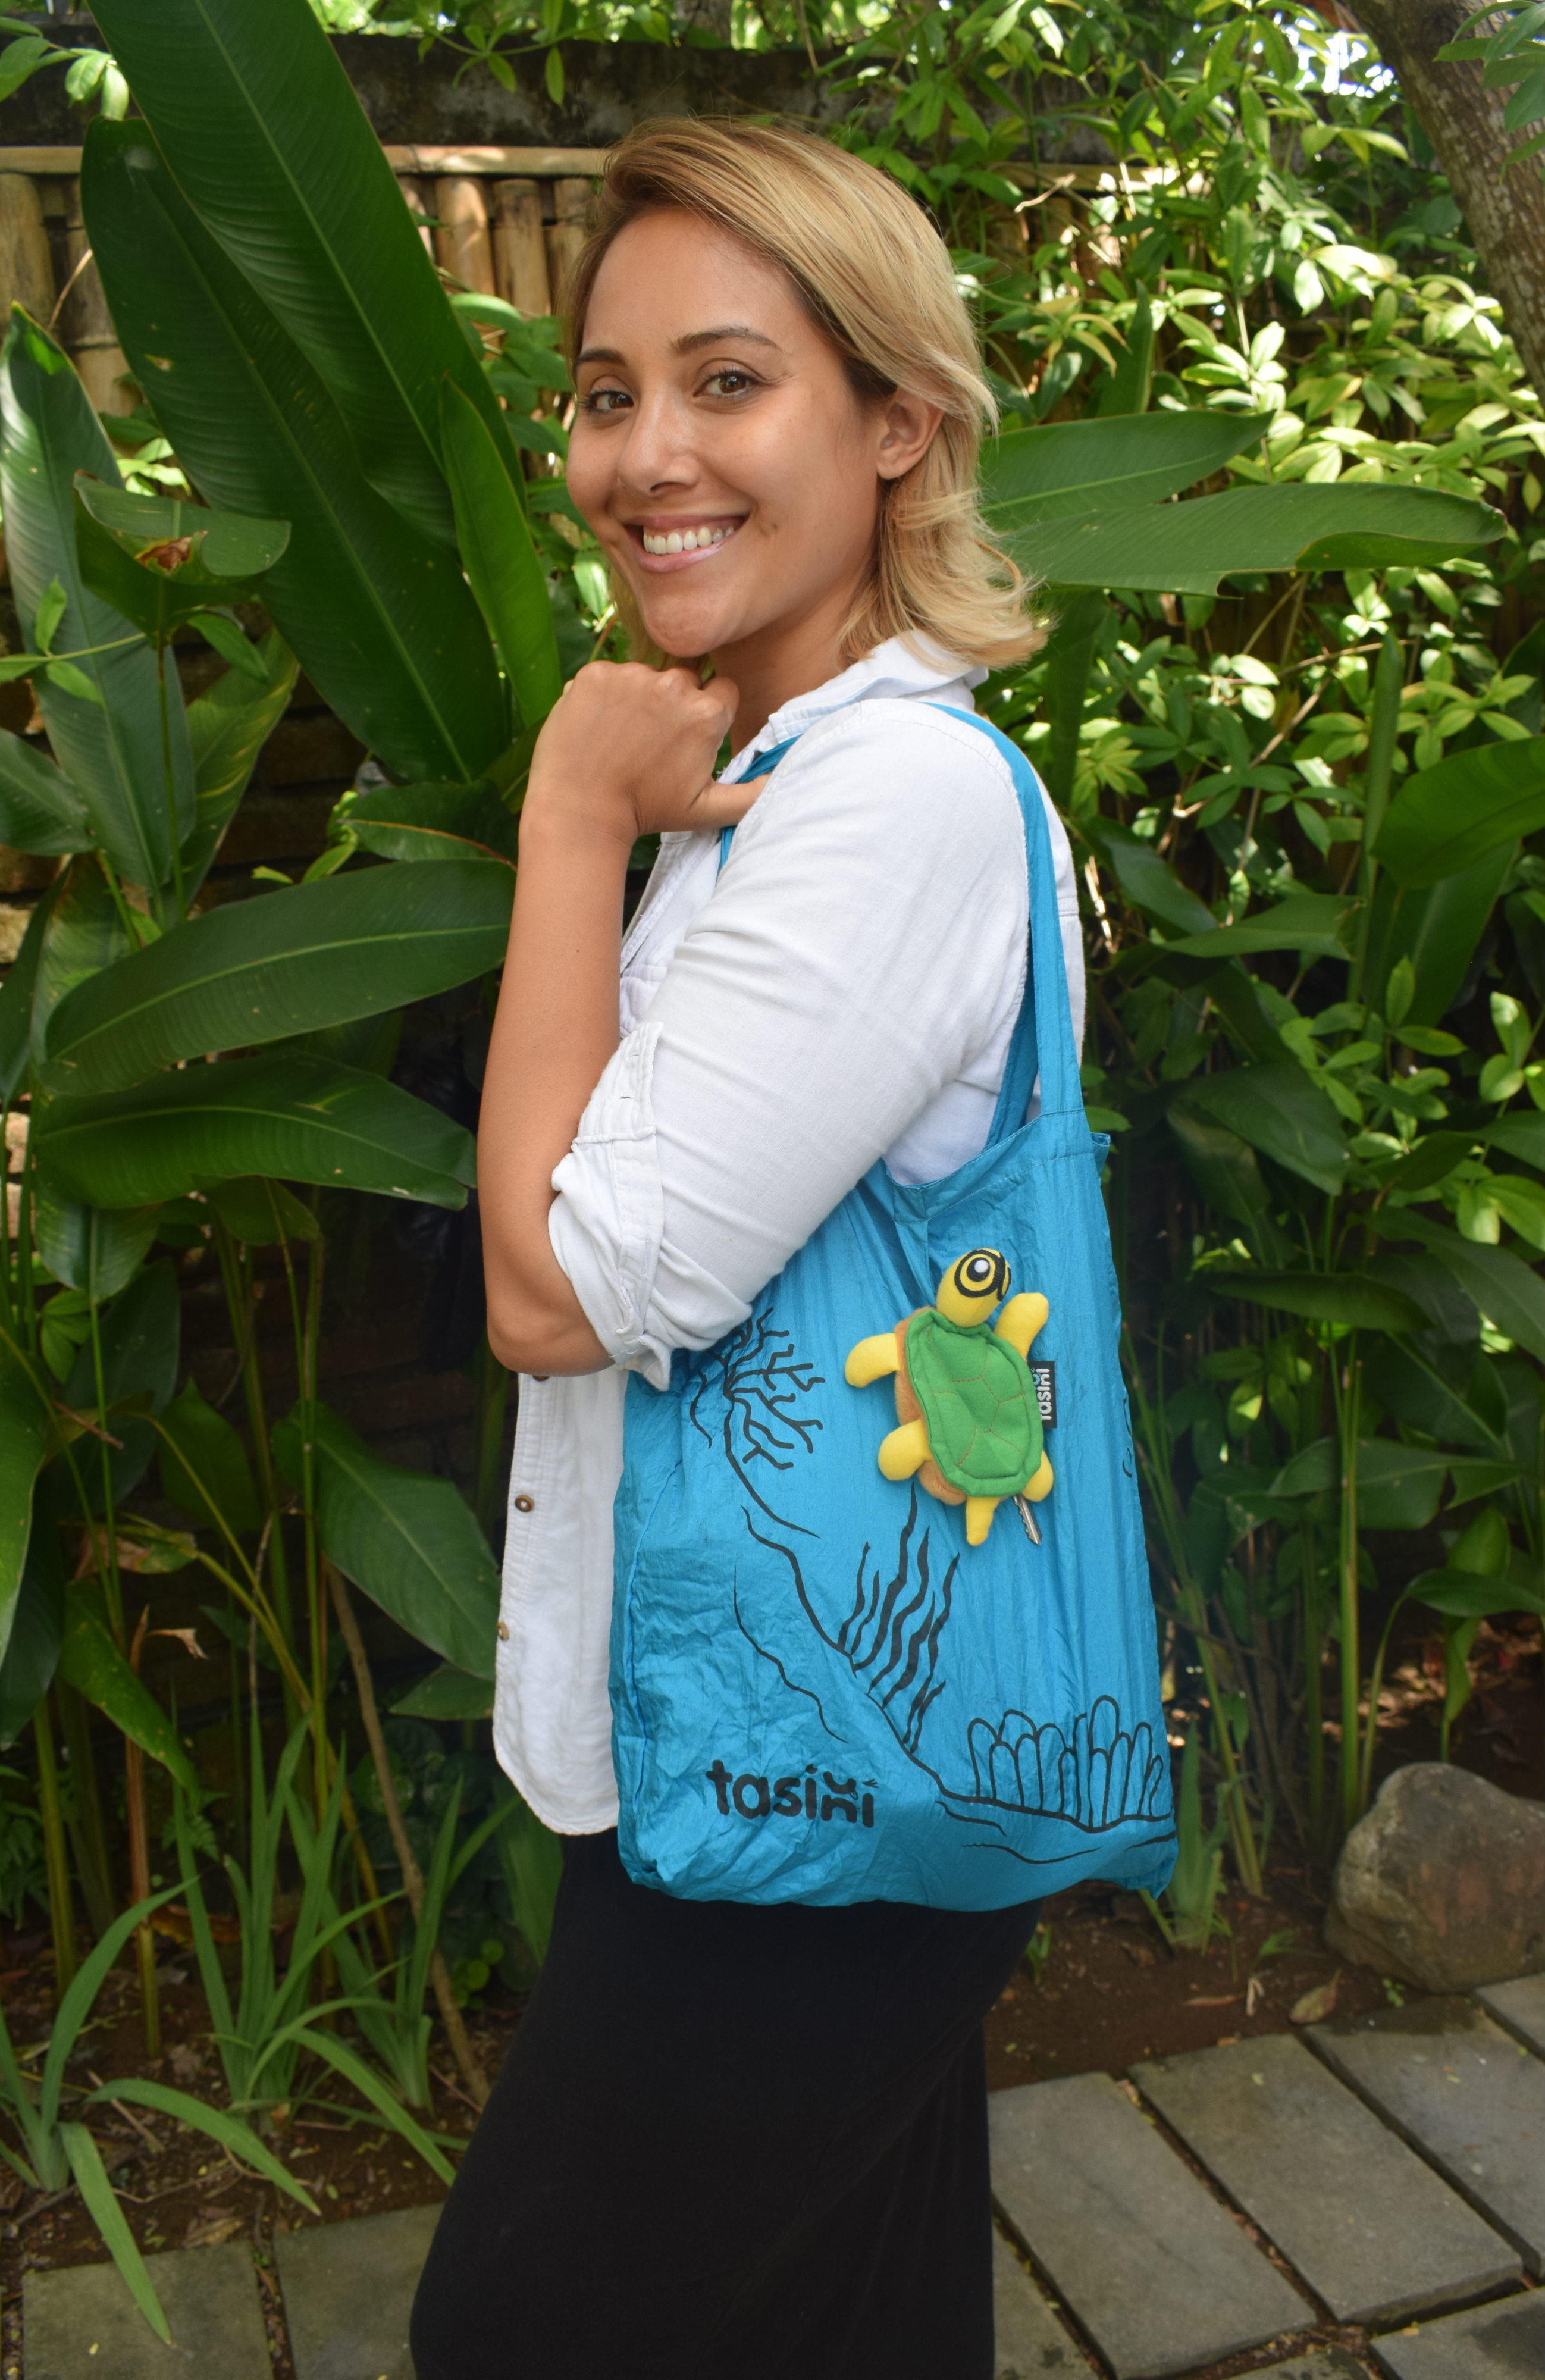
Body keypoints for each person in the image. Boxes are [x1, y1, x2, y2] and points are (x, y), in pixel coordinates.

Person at [409, 118, 1085, 2380]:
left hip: (807, 1776)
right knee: (853, 2323)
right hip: (797, 1734)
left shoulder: (885, 802)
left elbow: (555, 1294)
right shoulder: (771, 782)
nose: (645, 457)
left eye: (727, 382)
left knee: (519, 2340)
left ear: (895, 423)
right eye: (608, 394)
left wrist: (563, 820)